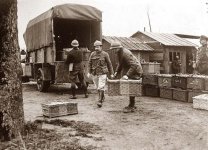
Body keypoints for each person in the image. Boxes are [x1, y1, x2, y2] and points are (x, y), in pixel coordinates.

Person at [111, 41, 143, 113]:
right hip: (131, 70)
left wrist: (127, 75)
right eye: (112, 49)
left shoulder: (125, 53)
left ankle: (132, 105)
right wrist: (116, 72)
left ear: (118, 48)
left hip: (136, 71)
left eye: (114, 49)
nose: (113, 50)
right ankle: (131, 104)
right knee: (130, 87)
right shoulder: (119, 53)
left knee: (131, 87)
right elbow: (120, 64)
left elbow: (134, 65)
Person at [88, 40, 114, 107]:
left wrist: (111, 73)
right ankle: (102, 97)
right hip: (94, 73)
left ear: (101, 47)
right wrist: (89, 72)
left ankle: (100, 101)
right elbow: (89, 63)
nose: (96, 48)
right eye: (95, 47)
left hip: (102, 73)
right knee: (97, 87)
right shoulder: (92, 54)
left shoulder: (105, 54)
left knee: (101, 87)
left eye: (98, 47)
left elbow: (109, 64)